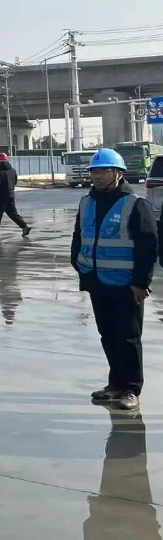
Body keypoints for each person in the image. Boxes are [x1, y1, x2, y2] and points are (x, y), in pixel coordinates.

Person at [71, 148, 158, 412]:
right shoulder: (86, 202)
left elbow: (148, 246)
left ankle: (131, 389)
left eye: (103, 170)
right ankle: (115, 384)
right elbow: (79, 236)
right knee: (108, 335)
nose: (97, 176)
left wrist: (141, 283)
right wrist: (79, 265)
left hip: (126, 284)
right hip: (96, 280)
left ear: (118, 173)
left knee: (128, 337)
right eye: (94, 171)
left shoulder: (135, 204)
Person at [0, 152, 31, 238]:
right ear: (7, 160)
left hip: (1, 196)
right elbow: (15, 182)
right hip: (11, 195)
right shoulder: (13, 170)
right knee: (13, 213)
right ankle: (25, 227)